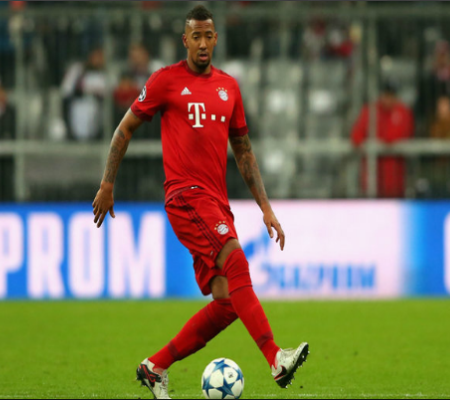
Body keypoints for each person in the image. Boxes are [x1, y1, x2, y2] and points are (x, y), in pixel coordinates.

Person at [92, 6, 309, 399]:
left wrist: (265, 207)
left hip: (216, 202)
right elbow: (124, 129)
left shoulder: (229, 87)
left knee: (227, 302)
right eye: (196, 36)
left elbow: (244, 151)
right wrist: (108, 183)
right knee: (236, 260)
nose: (203, 43)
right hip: (185, 197)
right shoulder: (165, 81)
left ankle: (154, 367)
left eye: (209, 35)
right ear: (185, 41)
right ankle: (276, 358)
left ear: (216, 38)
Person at [351, 82, 415, 198]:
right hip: (372, 176)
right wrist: (369, 144)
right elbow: (356, 136)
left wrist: (381, 142)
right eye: (386, 95)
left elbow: (404, 134)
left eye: (391, 96)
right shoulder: (371, 111)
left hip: (395, 176)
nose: (388, 100)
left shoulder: (403, 111)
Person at [61, 48, 107, 141]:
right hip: (78, 106)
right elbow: (65, 91)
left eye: (101, 57)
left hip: (97, 110)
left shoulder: (105, 74)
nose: (98, 60)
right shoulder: (78, 70)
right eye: (96, 56)